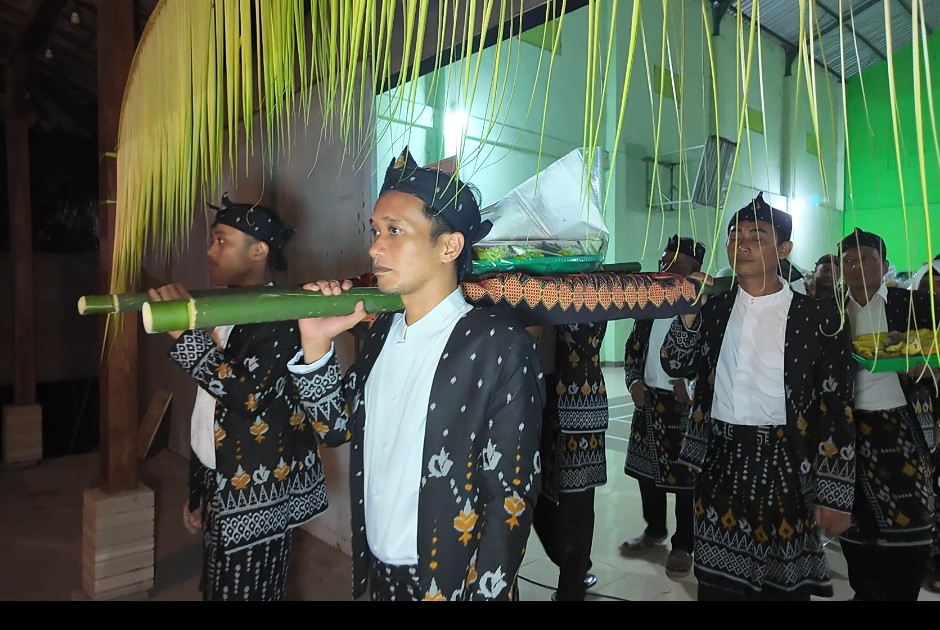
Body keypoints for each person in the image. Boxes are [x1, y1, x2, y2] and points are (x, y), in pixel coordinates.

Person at [287, 147, 546, 601]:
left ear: (449, 246)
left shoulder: (497, 344)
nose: (374, 246)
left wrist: (486, 590)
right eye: (375, 230)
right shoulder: (383, 331)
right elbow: (335, 428)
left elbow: (511, 495)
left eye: (395, 231)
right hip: (380, 570)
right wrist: (316, 343)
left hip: (453, 582)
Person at [660, 192, 857, 601]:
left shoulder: (818, 317)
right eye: (734, 235)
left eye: (757, 235)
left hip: (788, 465)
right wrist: (688, 314)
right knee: (717, 587)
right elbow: (675, 364)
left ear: (784, 248)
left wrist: (835, 494)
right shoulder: (714, 310)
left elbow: (837, 406)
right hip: (722, 462)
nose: (742, 244)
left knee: (783, 590)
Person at [147, 195, 328, 601]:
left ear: (259, 250)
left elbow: (246, 398)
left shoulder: (281, 313)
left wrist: (186, 336)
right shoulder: (217, 306)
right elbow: (207, 412)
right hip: (220, 481)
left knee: (251, 591)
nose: (210, 251)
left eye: (221, 240)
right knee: (218, 587)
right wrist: (199, 492)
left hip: (259, 492)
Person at [837, 227, 938, 601]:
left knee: (912, 522)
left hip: (903, 424)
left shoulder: (913, 304)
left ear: (884, 264)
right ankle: (864, 591)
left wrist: (927, 369)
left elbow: (935, 358)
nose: (856, 266)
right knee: (854, 520)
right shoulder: (828, 310)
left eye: (866, 258)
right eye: (848, 260)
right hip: (846, 428)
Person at [620, 235, 705, 579]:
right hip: (649, 402)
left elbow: (712, 357)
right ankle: (654, 529)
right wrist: (633, 382)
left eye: (678, 264)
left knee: (687, 481)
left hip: (685, 406)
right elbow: (632, 347)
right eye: (664, 262)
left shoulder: (704, 305)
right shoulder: (651, 302)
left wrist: (694, 385)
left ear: (696, 270)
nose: (668, 269)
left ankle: (684, 544)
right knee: (646, 475)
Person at [530, 321, 609, 601]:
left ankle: (571, 588)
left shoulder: (587, 288)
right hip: (534, 401)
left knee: (577, 506)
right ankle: (572, 563)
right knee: (534, 497)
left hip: (580, 405)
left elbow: (587, 337)